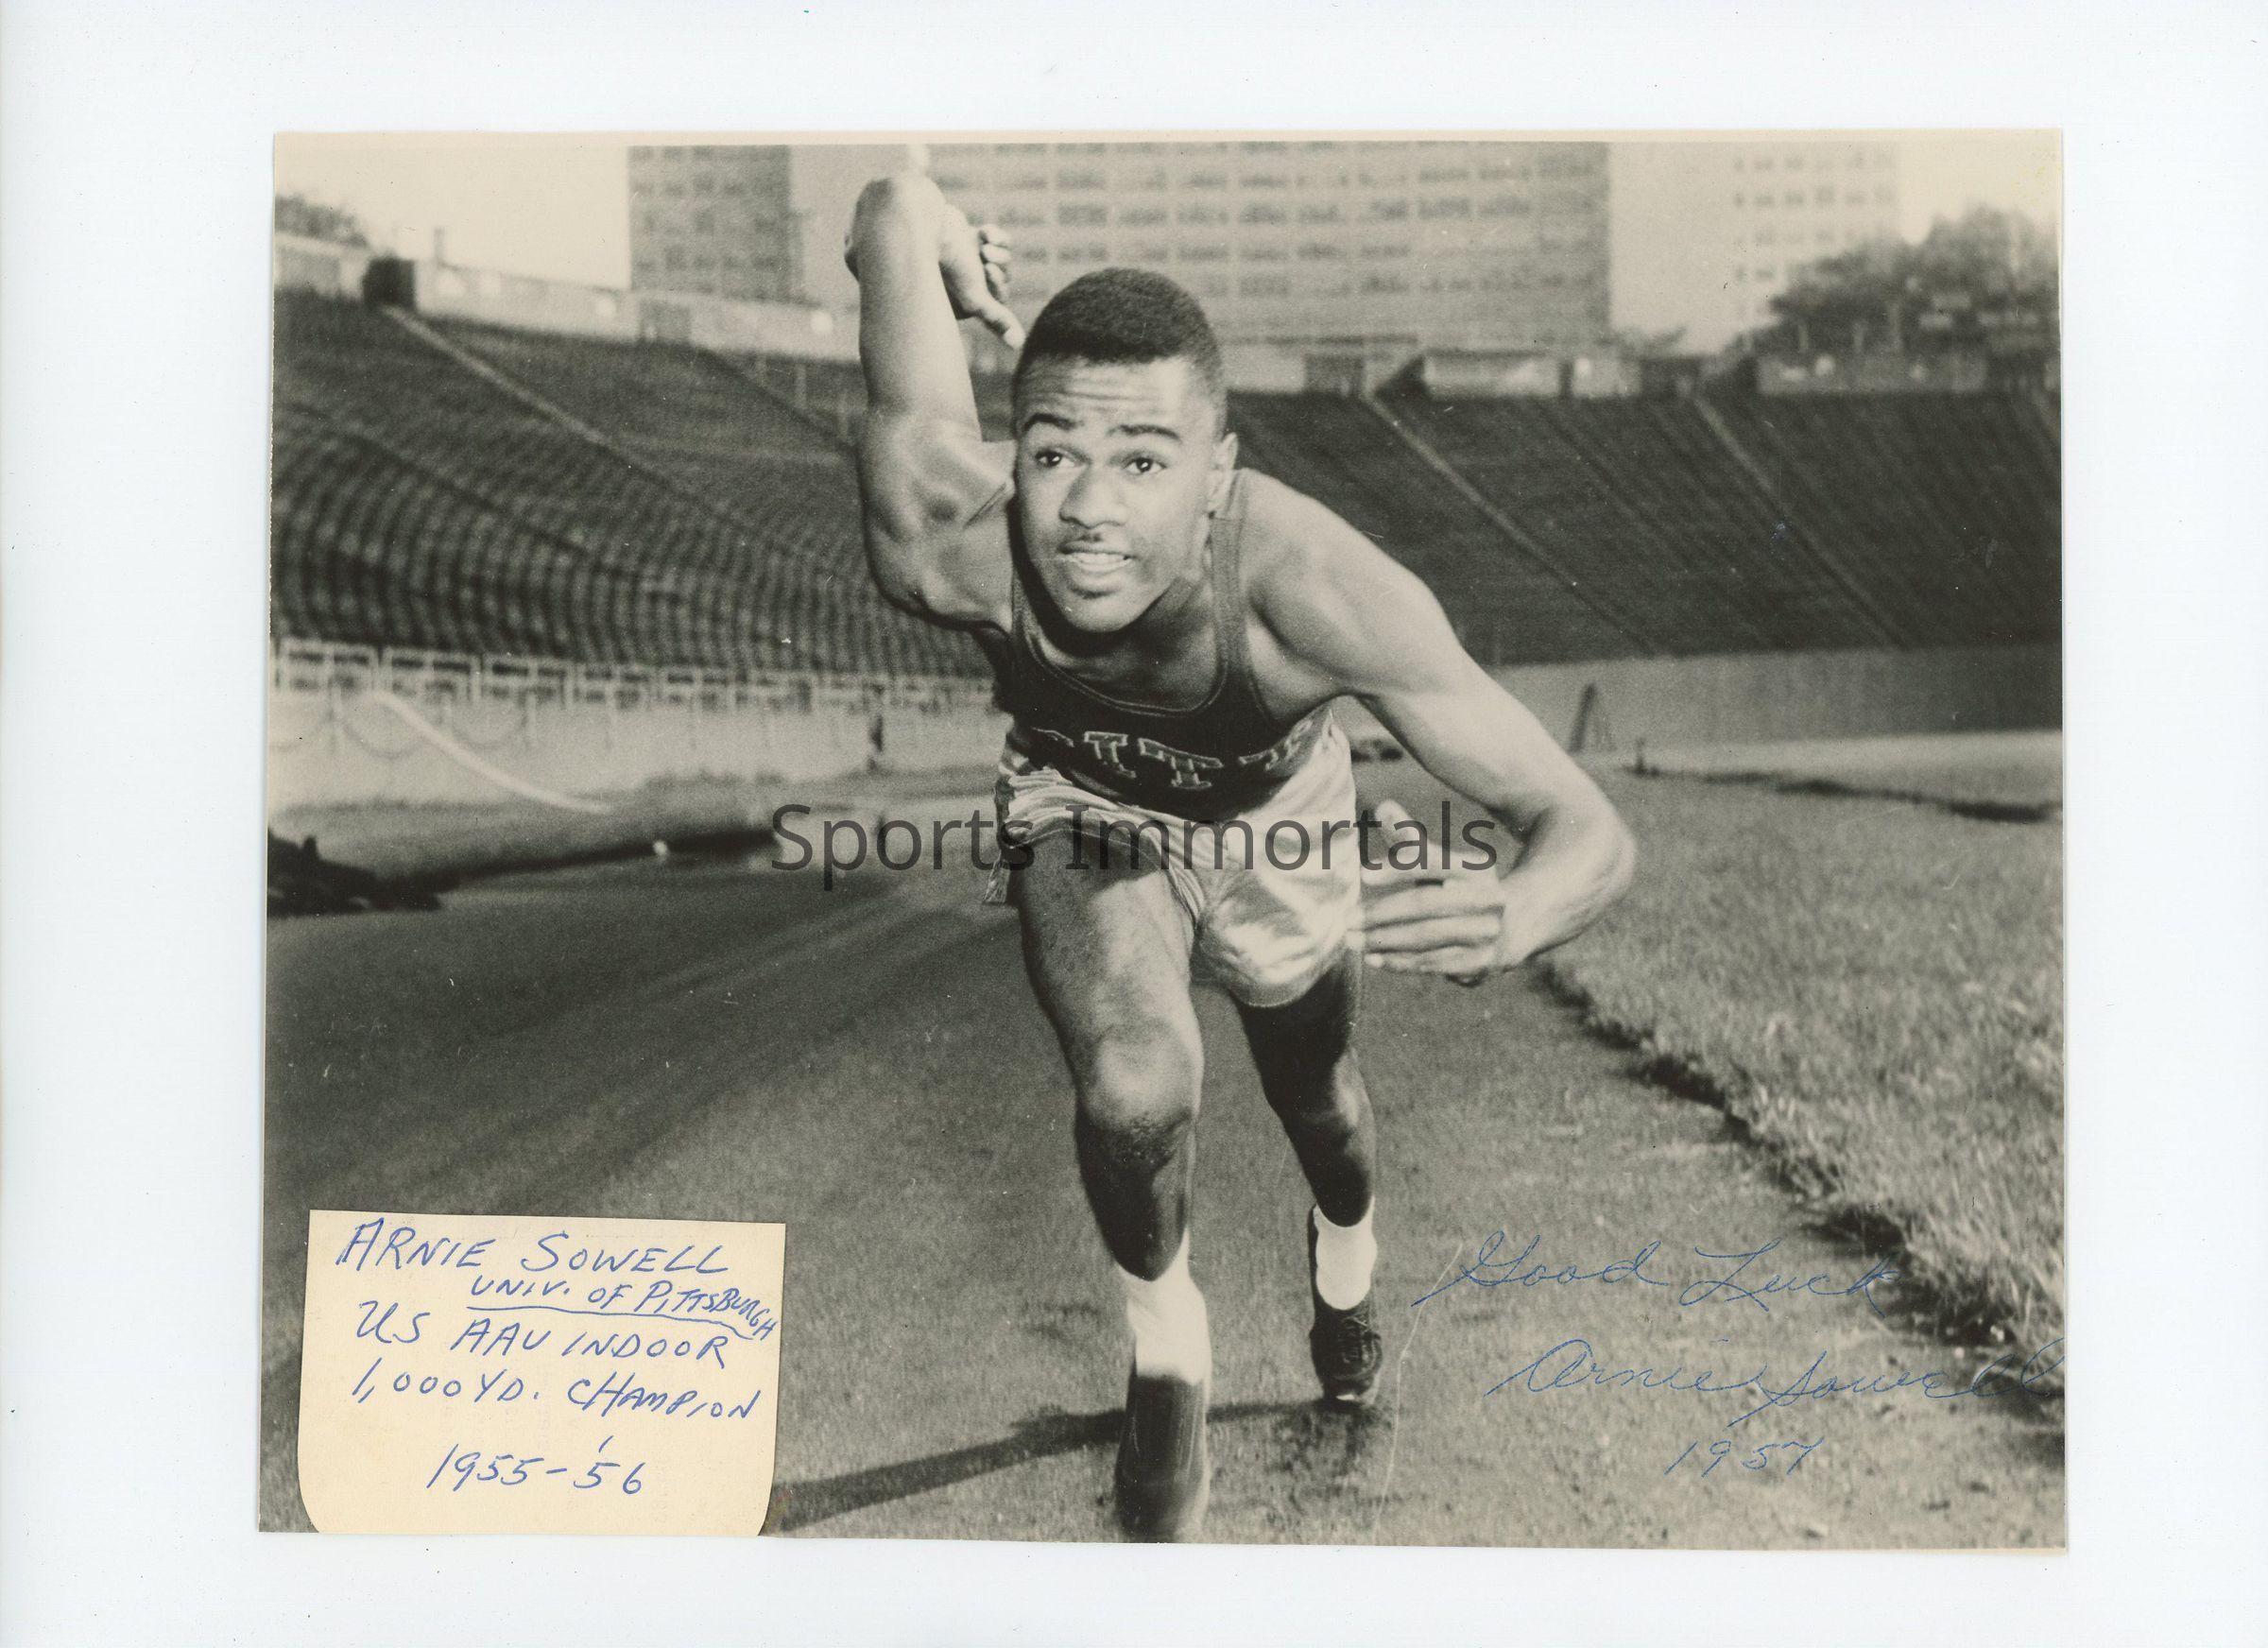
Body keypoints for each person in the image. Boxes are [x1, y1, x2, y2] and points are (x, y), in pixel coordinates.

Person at [846, 171, 1636, 1541]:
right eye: (1054, 454)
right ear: (1015, 453)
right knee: (1136, 1084)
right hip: (1084, 804)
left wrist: (1515, 911)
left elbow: (1589, 831)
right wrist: (933, 232)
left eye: (1145, 462)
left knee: (1318, 1101)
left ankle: (1348, 1264)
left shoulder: (1312, 587)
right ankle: (1169, 1349)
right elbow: (885, 207)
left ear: (1218, 475)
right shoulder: (945, 538)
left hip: (1281, 819)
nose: (1089, 511)